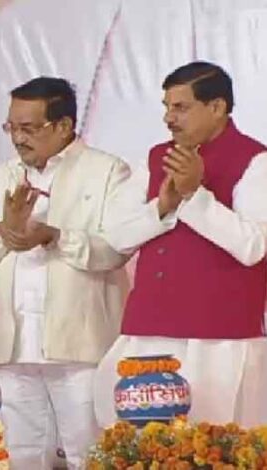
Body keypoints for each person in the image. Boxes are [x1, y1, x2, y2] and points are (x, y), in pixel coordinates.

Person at [0, 77, 130, 469]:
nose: (18, 138)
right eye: (11, 127)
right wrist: (5, 231)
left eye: (29, 128)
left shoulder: (106, 171)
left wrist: (54, 237)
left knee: (91, 454)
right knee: (20, 456)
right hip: (12, 346)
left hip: (80, 346)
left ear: (63, 125)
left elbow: (115, 250)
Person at [96, 61, 267, 427]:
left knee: (216, 444)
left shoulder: (256, 161)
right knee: (140, 443)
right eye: (167, 107)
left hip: (221, 339)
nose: (169, 118)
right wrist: (162, 208)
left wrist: (194, 197)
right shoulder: (156, 158)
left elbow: (253, 246)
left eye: (181, 107)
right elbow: (116, 235)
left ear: (217, 107)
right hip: (147, 333)